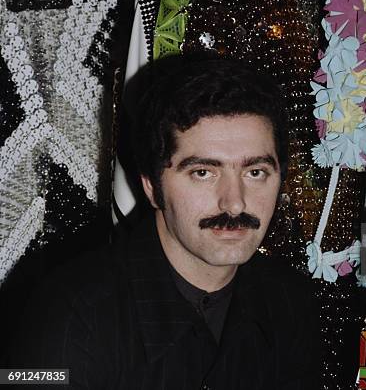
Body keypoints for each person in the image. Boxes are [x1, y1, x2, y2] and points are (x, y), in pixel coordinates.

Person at [7, 54, 322, 389]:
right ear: (152, 188)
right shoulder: (68, 314)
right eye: (203, 173)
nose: (234, 202)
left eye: (255, 172)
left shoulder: (288, 301)